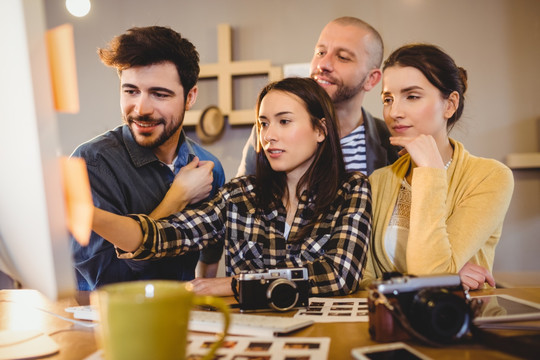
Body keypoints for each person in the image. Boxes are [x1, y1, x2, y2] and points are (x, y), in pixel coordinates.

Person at [90, 77, 372, 296]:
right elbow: (166, 235)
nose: (269, 135)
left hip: (327, 334)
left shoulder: (351, 189)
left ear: (320, 130)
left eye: (284, 122)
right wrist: (90, 216)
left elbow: (338, 274)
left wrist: (238, 284)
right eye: (263, 123)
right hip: (251, 336)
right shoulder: (240, 195)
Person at [71, 26, 225, 290]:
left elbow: (212, 249)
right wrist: (177, 198)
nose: (141, 109)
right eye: (131, 91)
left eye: (159, 94)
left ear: (190, 97)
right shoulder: (91, 164)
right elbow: (107, 284)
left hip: (183, 320)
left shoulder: (208, 166)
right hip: (110, 325)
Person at [362, 44, 514, 290]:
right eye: (388, 99)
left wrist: (430, 173)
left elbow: (430, 274)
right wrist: (449, 273)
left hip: (459, 321)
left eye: (412, 96)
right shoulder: (377, 181)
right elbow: (363, 279)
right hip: (390, 322)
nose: (394, 112)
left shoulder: (490, 177)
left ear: (450, 105)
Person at [236, 16, 398, 177]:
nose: (323, 65)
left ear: (371, 79)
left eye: (342, 57)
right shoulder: (270, 134)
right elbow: (243, 197)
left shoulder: (391, 141)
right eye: (320, 52)